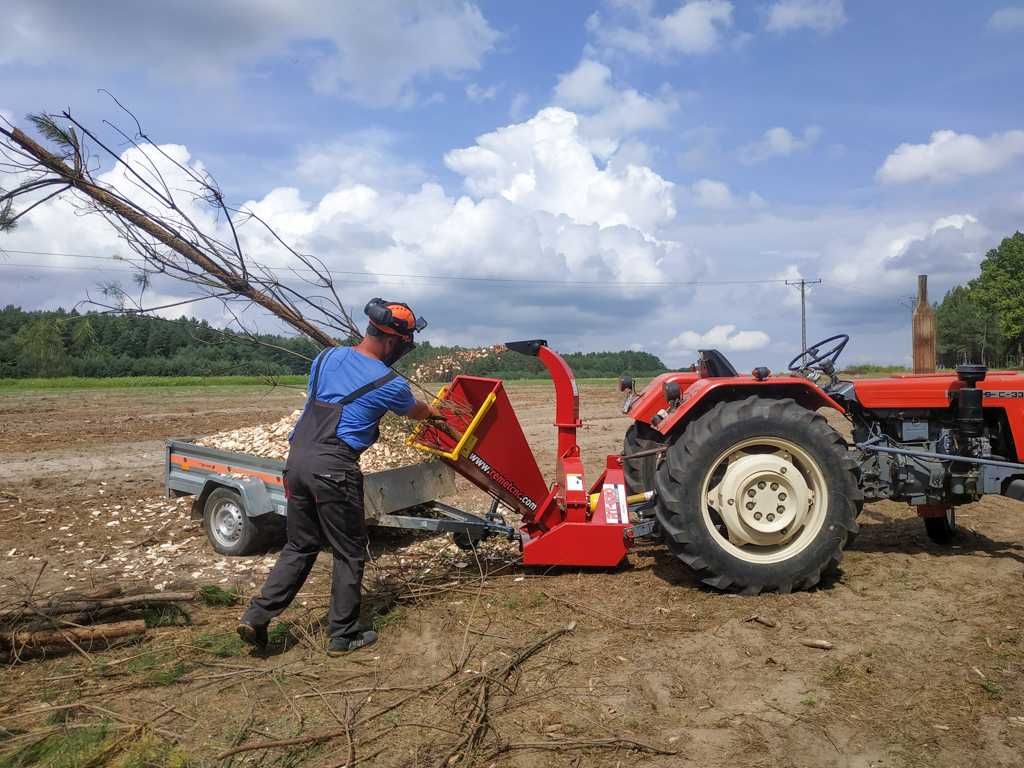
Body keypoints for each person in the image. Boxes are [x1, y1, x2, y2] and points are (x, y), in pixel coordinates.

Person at [237, 298, 438, 655]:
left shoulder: (326, 357)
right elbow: (417, 411)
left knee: (300, 544)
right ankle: (343, 634)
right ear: (392, 342)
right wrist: (435, 413)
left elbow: (325, 398)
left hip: (297, 461)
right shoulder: (389, 382)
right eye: (403, 346)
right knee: (349, 550)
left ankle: (256, 616)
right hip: (334, 468)